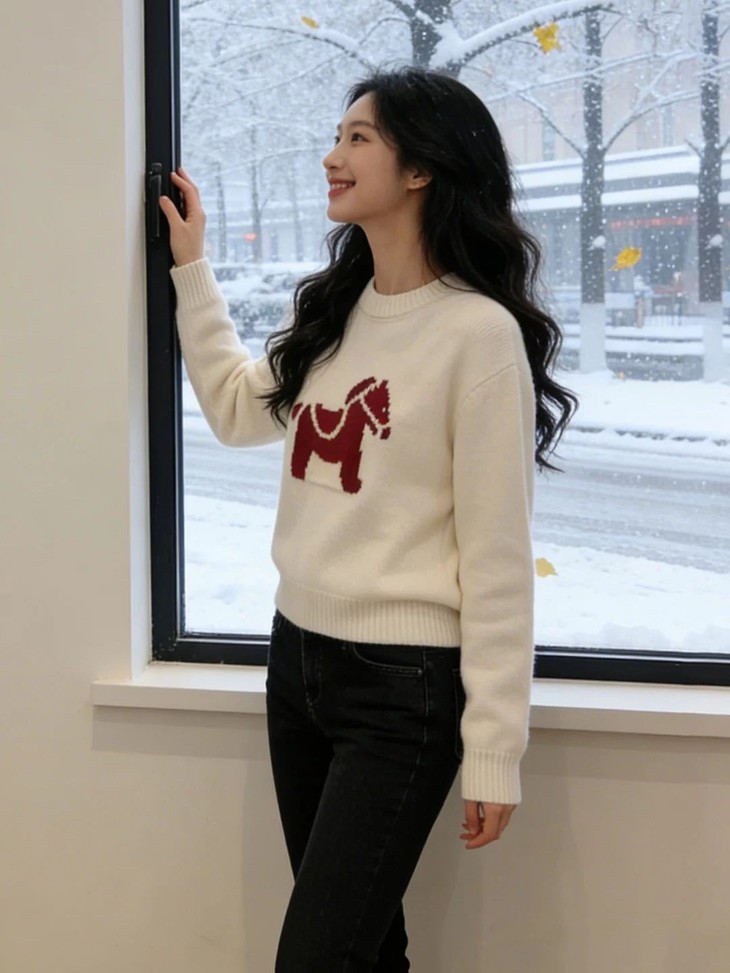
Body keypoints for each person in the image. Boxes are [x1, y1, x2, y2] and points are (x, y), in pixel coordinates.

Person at [160, 64, 576, 973]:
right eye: (336, 136)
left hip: (402, 688)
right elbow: (234, 408)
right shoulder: (335, 310)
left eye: (358, 138)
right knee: (364, 950)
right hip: (295, 660)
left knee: (319, 957)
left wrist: (495, 748)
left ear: (421, 168)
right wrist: (191, 268)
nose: (331, 156)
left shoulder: (478, 335)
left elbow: (498, 559)